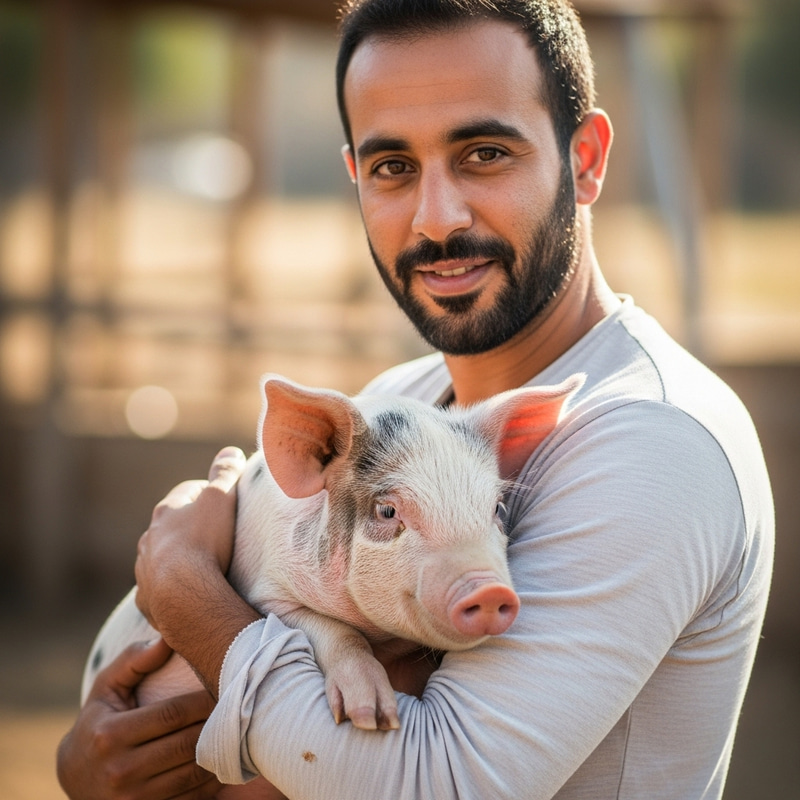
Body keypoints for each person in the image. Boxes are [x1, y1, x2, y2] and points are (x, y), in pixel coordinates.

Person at [57, 1, 774, 798]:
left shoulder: (654, 441)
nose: (437, 219)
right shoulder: (398, 402)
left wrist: (182, 586)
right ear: (356, 178)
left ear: (585, 160)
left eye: (485, 153)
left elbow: (438, 782)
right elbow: (316, 755)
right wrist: (90, 767)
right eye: (393, 167)